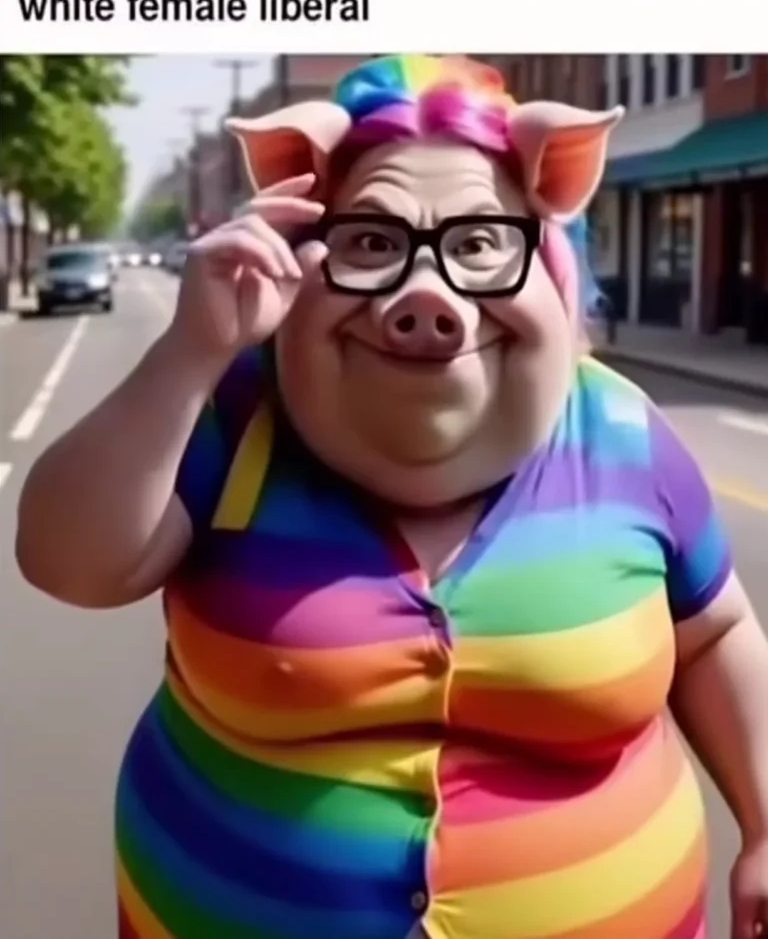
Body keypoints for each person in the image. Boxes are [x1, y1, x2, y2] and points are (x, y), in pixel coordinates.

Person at [15, 54, 768, 939]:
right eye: (372, 243)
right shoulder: (236, 417)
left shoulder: (623, 433)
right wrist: (190, 353)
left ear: (544, 255)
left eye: (479, 244)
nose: (428, 296)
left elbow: (715, 632)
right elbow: (68, 562)